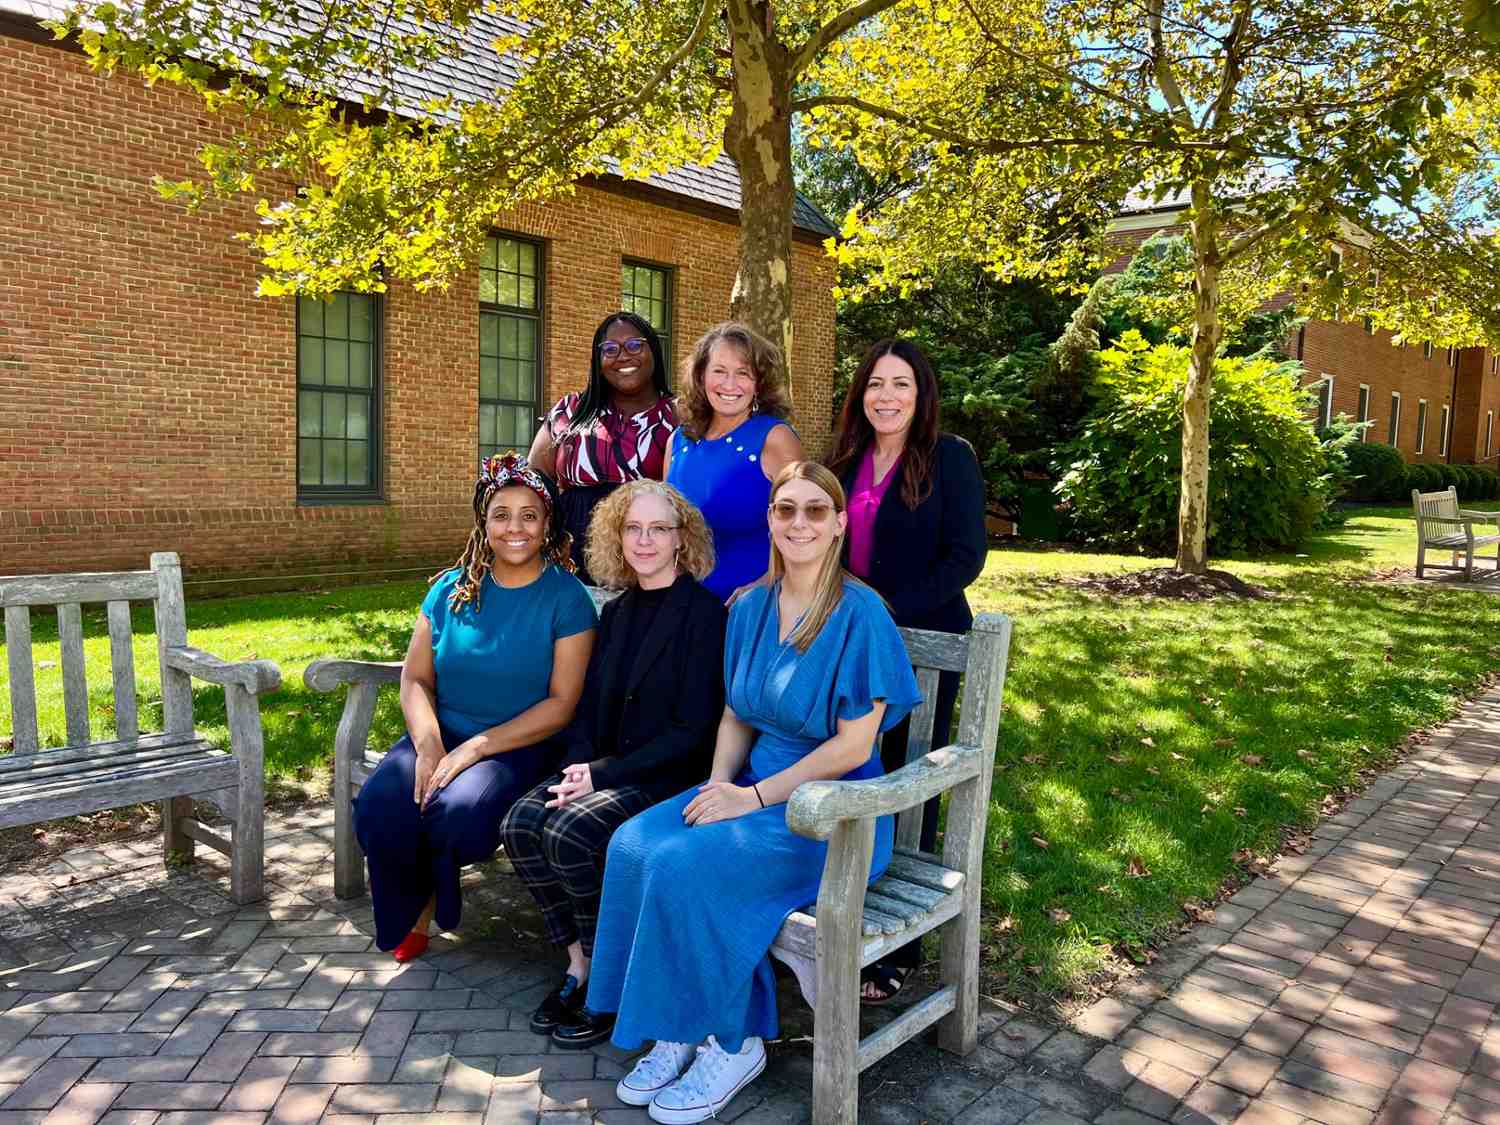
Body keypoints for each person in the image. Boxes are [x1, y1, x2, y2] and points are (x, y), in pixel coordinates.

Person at [581, 462, 922, 1125]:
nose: (799, 522)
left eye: (814, 511)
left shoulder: (861, 613)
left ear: (838, 523)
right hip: (752, 788)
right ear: (769, 520)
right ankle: (680, 1020)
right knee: (634, 843)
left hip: (834, 811)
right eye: (785, 509)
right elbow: (737, 712)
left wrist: (753, 797)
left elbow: (853, 747)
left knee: (690, 862)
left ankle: (733, 1043)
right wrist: (718, 781)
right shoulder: (751, 604)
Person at [498, 480, 727, 1040]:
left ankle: (613, 981)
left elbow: (693, 732)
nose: (644, 540)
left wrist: (600, 775)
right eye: (633, 528)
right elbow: (588, 708)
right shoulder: (618, 611)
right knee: (521, 824)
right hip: (605, 768)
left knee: (570, 836)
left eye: (659, 528)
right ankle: (579, 963)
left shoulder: (705, 615)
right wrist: (579, 767)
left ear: (681, 538)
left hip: (667, 777)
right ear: (616, 536)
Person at [353, 452, 597, 963]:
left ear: (547, 523)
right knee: (380, 804)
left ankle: (433, 896)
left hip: (520, 744)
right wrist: (429, 744)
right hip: (444, 732)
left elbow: (561, 705)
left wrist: (474, 751)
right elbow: (416, 677)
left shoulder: (566, 598)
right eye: (501, 514)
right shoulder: (449, 591)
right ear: (483, 523)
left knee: (458, 814)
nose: (515, 527)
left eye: (529, 515)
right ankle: (414, 906)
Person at [827, 338, 987, 1004]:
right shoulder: (843, 460)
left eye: (901, 385)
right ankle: (840, 913)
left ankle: (898, 945)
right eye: (875, 383)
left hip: (923, 640)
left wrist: (889, 613)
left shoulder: (948, 457)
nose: (885, 396)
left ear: (921, 397)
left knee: (906, 781)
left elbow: (965, 556)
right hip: (849, 643)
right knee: (851, 771)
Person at [527, 311, 676, 584]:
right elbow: (536, 479)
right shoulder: (571, 409)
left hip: (646, 559)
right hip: (570, 560)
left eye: (634, 345)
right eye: (610, 349)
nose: (623, 356)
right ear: (598, 359)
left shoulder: (678, 416)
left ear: (654, 350)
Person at [664, 322, 802, 600]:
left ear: (759, 383)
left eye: (743, 373)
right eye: (719, 371)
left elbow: (806, 527)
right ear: (701, 376)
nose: (729, 384)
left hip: (751, 607)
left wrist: (765, 584)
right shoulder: (678, 440)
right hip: (683, 604)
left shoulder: (775, 438)